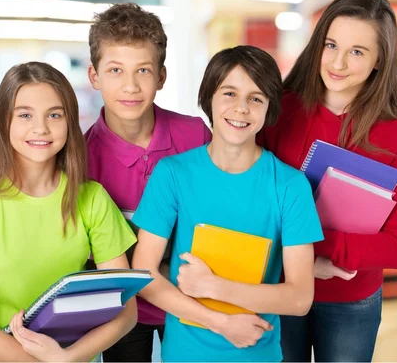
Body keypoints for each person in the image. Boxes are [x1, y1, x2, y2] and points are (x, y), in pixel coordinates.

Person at [0, 62, 138, 362]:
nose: (40, 128)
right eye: (25, 115)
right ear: (4, 122)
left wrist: (68, 358)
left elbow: (126, 312)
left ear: (70, 122)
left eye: (54, 115)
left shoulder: (92, 199)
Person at [131, 45, 323, 362]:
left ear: (269, 109)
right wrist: (221, 323)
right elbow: (145, 275)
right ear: (209, 97)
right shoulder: (172, 175)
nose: (241, 108)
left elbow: (300, 297)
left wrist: (214, 287)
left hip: (257, 353)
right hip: (184, 354)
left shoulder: (290, 187)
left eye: (256, 98)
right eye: (229, 93)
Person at [258, 0, 397, 362]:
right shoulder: (281, 109)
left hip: (351, 300)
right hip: (279, 286)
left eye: (358, 52)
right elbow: (253, 203)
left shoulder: (396, 135)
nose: (338, 63)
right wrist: (303, 259)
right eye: (331, 45)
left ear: (381, 60)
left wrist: (322, 249)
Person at [84, 3, 212, 362]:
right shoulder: (80, 157)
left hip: (191, 299)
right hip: (121, 311)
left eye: (142, 70)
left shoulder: (196, 135)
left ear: (161, 76)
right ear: (94, 76)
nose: (130, 85)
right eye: (115, 70)